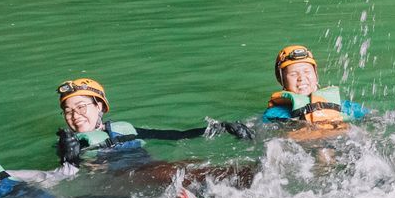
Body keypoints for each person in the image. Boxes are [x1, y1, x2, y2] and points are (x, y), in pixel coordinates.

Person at [54, 76, 256, 167]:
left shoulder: (122, 129)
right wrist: (69, 157)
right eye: (68, 111)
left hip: (151, 169)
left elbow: (174, 136)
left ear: (99, 106)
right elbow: (70, 175)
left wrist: (220, 128)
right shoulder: (69, 143)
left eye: (81, 107)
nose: (75, 115)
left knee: (192, 166)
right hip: (121, 179)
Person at [260, 45, 368, 136]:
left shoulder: (341, 106)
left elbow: (369, 117)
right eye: (293, 74)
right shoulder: (275, 114)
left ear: (316, 75)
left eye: (307, 72)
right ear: (281, 80)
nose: (301, 78)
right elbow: (264, 131)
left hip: (339, 141)